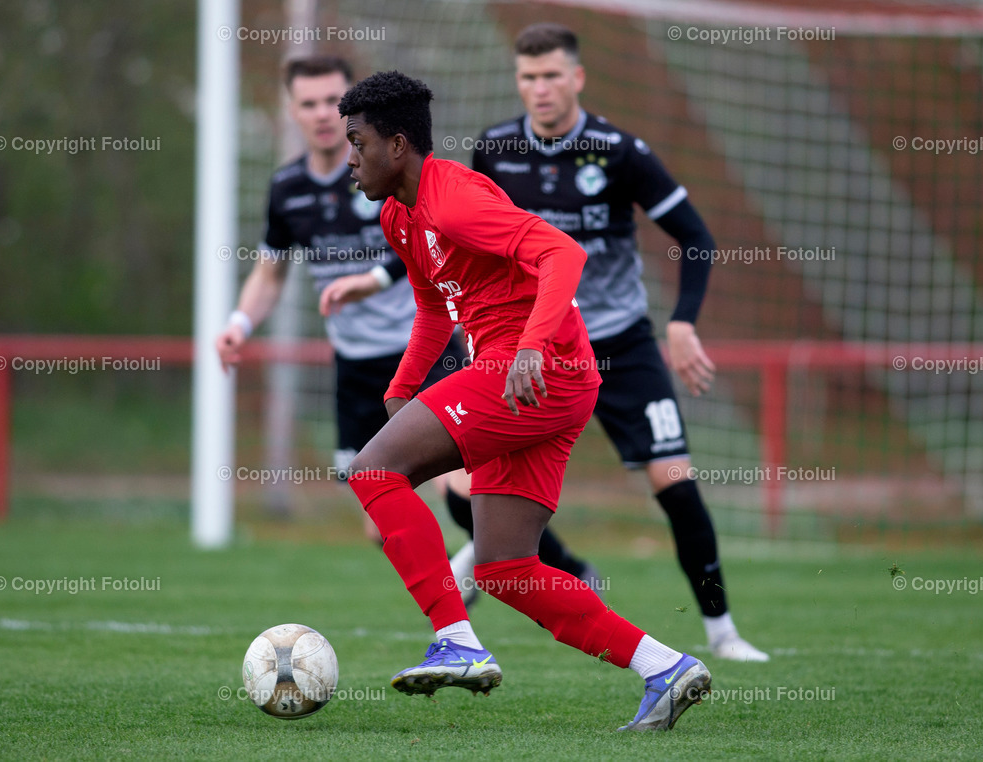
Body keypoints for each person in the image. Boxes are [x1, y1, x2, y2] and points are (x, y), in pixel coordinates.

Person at [339, 69, 711, 731]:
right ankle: (666, 667)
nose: (349, 160)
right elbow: (433, 308)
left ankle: (456, 640)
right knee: (506, 567)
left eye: (357, 143)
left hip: (536, 372)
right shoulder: (400, 214)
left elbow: (561, 253)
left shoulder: (451, 199)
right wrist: (401, 390)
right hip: (541, 380)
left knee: (373, 471)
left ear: (397, 146)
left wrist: (533, 347)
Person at [466, 23, 768, 662]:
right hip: (533, 347)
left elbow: (696, 236)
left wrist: (683, 320)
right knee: (463, 484)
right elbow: (475, 248)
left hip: (621, 344)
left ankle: (723, 631)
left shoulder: (620, 150)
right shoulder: (493, 150)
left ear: (577, 78)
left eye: (551, 75)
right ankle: (563, 573)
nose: (540, 88)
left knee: (674, 480)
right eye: (528, 77)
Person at [214, 55, 468, 543]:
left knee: (462, 486)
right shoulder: (287, 189)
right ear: (292, 110)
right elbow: (270, 272)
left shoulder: (390, 173)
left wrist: (373, 278)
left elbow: (432, 240)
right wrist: (239, 324)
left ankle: (517, 571)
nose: (320, 113)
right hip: (355, 368)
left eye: (332, 100)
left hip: (424, 350)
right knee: (381, 522)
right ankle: (462, 588)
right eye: (307, 103)